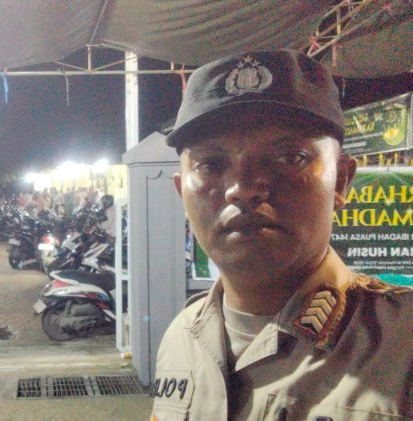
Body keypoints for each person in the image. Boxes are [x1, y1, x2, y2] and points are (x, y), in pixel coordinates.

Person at [150, 49, 413, 420]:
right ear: (182, 193)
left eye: (289, 158)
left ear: (341, 180)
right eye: (210, 164)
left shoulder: (402, 347)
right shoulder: (182, 336)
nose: (241, 189)